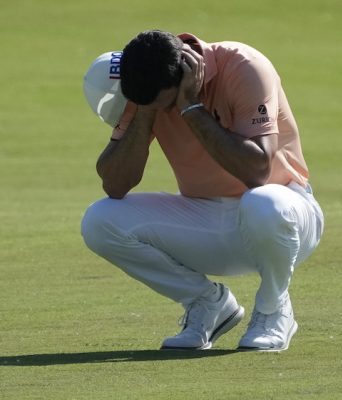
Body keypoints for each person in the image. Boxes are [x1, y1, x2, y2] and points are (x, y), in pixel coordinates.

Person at [81, 30, 324, 351]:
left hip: (285, 215)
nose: (161, 111)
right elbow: (114, 184)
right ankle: (208, 304)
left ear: (184, 73)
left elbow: (257, 171)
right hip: (207, 220)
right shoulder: (143, 86)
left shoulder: (244, 66)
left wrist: (191, 108)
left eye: (162, 103)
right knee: (99, 220)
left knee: (262, 202)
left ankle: (274, 310)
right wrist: (145, 112)